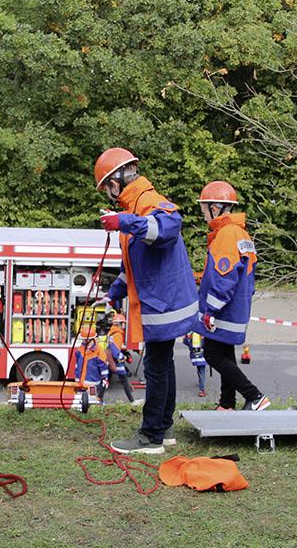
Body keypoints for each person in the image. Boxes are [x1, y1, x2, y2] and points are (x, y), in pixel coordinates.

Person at [94, 147, 198, 454]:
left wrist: (124, 221)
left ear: (116, 180)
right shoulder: (134, 205)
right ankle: (162, 429)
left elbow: (167, 227)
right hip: (160, 300)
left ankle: (151, 436)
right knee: (163, 364)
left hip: (163, 303)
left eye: (107, 188)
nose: (109, 196)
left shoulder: (146, 202)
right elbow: (136, 266)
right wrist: (112, 294)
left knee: (155, 366)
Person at [194, 181, 269, 411]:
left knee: (212, 354)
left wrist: (210, 311)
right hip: (237, 306)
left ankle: (255, 396)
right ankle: (227, 403)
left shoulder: (226, 234)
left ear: (214, 208)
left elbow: (224, 278)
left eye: (203, 208)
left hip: (224, 309)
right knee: (225, 352)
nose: (203, 214)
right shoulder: (240, 233)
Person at [100, 314, 140, 404]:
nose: (124, 325)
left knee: (106, 380)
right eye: (123, 323)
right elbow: (115, 351)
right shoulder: (118, 334)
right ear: (119, 324)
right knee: (124, 381)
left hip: (111, 361)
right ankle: (132, 401)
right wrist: (123, 357)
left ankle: (99, 399)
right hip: (117, 362)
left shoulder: (112, 332)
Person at [74, 328, 110, 402]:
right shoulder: (81, 348)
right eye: (83, 340)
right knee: (79, 400)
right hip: (80, 381)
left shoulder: (99, 351)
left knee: (92, 400)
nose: (84, 341)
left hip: (92, 381)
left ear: (90, 339)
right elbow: (77, 363)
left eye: (85, 340)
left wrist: (105, 378)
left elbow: (103, 366)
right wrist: (76, 375)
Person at [183, 332, 208, 397]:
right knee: (202, 371)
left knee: (199, 370)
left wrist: (186, 336)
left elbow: (185, 342)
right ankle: (201, 390)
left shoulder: (192, 336)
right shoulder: (203, 335)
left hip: (195, 357)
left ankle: (200, 382)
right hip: (203, 356)